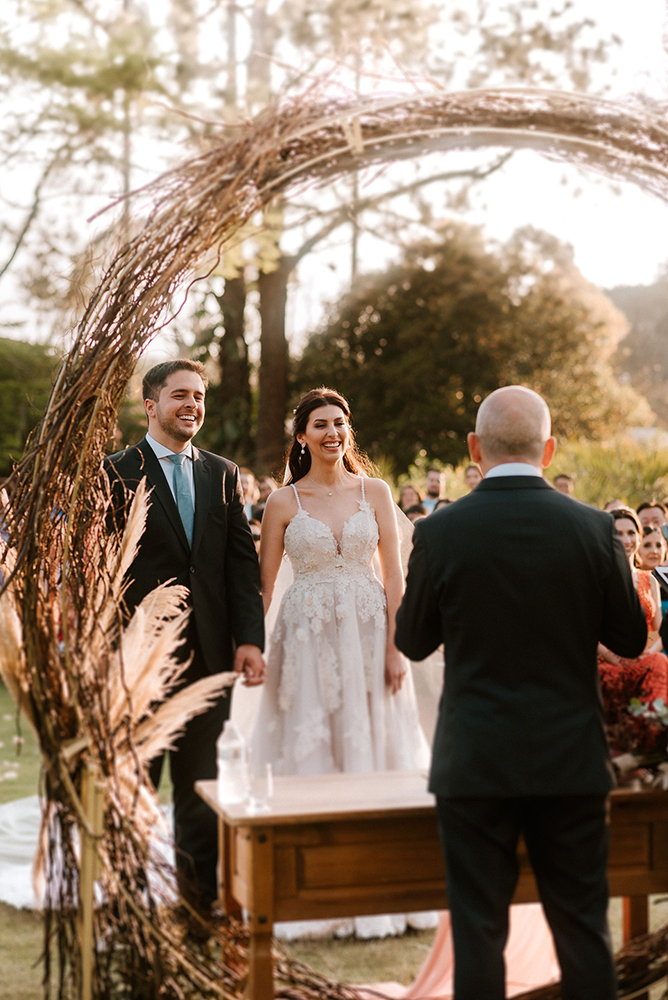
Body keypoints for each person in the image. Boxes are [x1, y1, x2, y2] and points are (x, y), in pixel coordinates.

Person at [396, 385, 647, 1000]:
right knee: (583, 929)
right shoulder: (594, 530)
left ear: (475, 449)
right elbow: (631, 638)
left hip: (475, 759)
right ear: (549, 447)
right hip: (570, 758)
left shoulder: (442, 532)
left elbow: (413, 639)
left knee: (480, 933)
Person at [104, 359, 265, 918]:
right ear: (151, 406)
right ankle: (130, 903)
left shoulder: (222, 472)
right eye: (179, 396)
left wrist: (249, 639)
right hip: (139, 660)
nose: (192, 404)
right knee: (137, 788)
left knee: (200, 790)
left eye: (198, 395)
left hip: (210, 657)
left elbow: (239, 567)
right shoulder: (116, 473)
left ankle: (198, 905)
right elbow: (103, 573)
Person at [598, 509, 668, 703]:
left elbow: (659, 628)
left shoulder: (650, 580)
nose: (626, 539)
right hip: (607, 660)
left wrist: (648, 653)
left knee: (660, 662)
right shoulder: (596, 579)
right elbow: (587, 628)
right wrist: (611, 656)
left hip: (646, 656)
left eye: (631, 532)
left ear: (639, 536)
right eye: (618, 533)